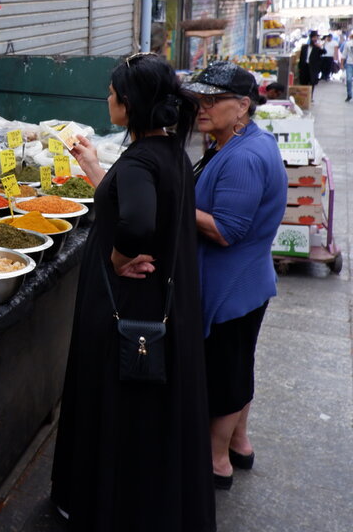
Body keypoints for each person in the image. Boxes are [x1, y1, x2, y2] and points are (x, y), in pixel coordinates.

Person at [51, 53, 214, 532]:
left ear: (128, 103)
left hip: (129, 307)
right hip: (163, 304)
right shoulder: (169, 151)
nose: (107, 98)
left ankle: (108, 507)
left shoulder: (143, 159)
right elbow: (132, 201)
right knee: (149, 417)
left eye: (112, 92)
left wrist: (120, 254)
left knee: (119, 408)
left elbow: (138, 220)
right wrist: (95, 170)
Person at [182, 62, 288, 490]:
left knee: (225, 373)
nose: (201, 108)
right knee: (239, 365)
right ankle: (240, 442)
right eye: (199, 99)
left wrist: (171, 204)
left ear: (242, 105)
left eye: (213, 100)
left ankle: (217, 461)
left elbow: (225, 230)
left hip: (231, 286)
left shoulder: (243, 157)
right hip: (247, 281)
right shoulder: (243, 139)